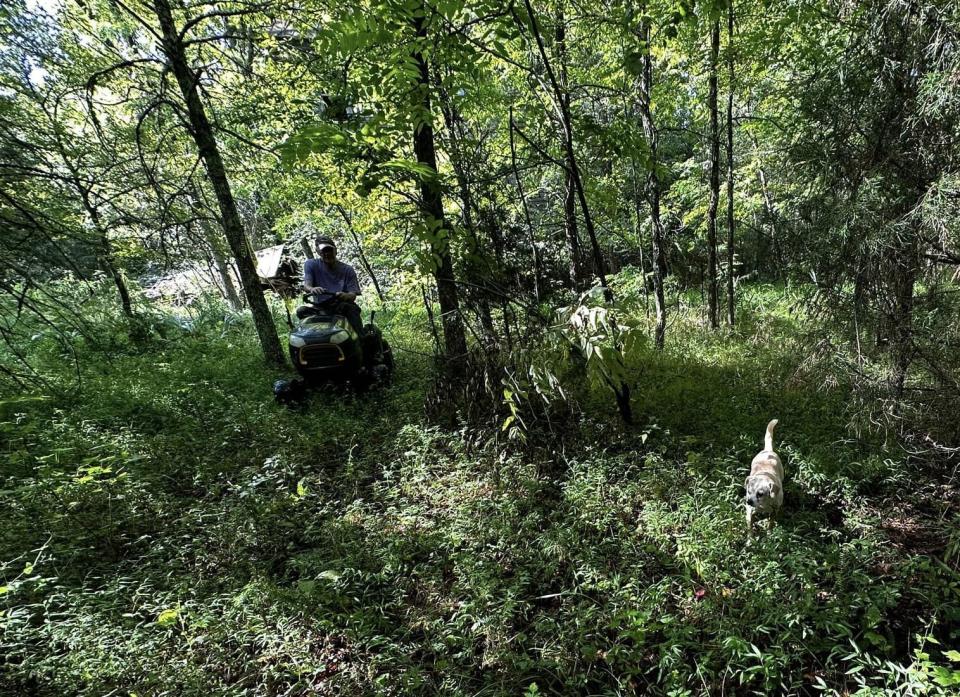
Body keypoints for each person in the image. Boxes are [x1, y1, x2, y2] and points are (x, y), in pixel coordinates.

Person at [303, 235, 363, 334]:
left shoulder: (347, 269)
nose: (327, 254)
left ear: (335, 250)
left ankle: (361, 341)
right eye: (324, 251)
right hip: (320, 307)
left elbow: (353, 295)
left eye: (329, 250)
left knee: (351, 309)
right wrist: (312, 289)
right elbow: (306, 286)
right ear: (318, 252)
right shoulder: (311, 264)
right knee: (302, 311)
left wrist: (345, 295)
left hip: (341, 306)